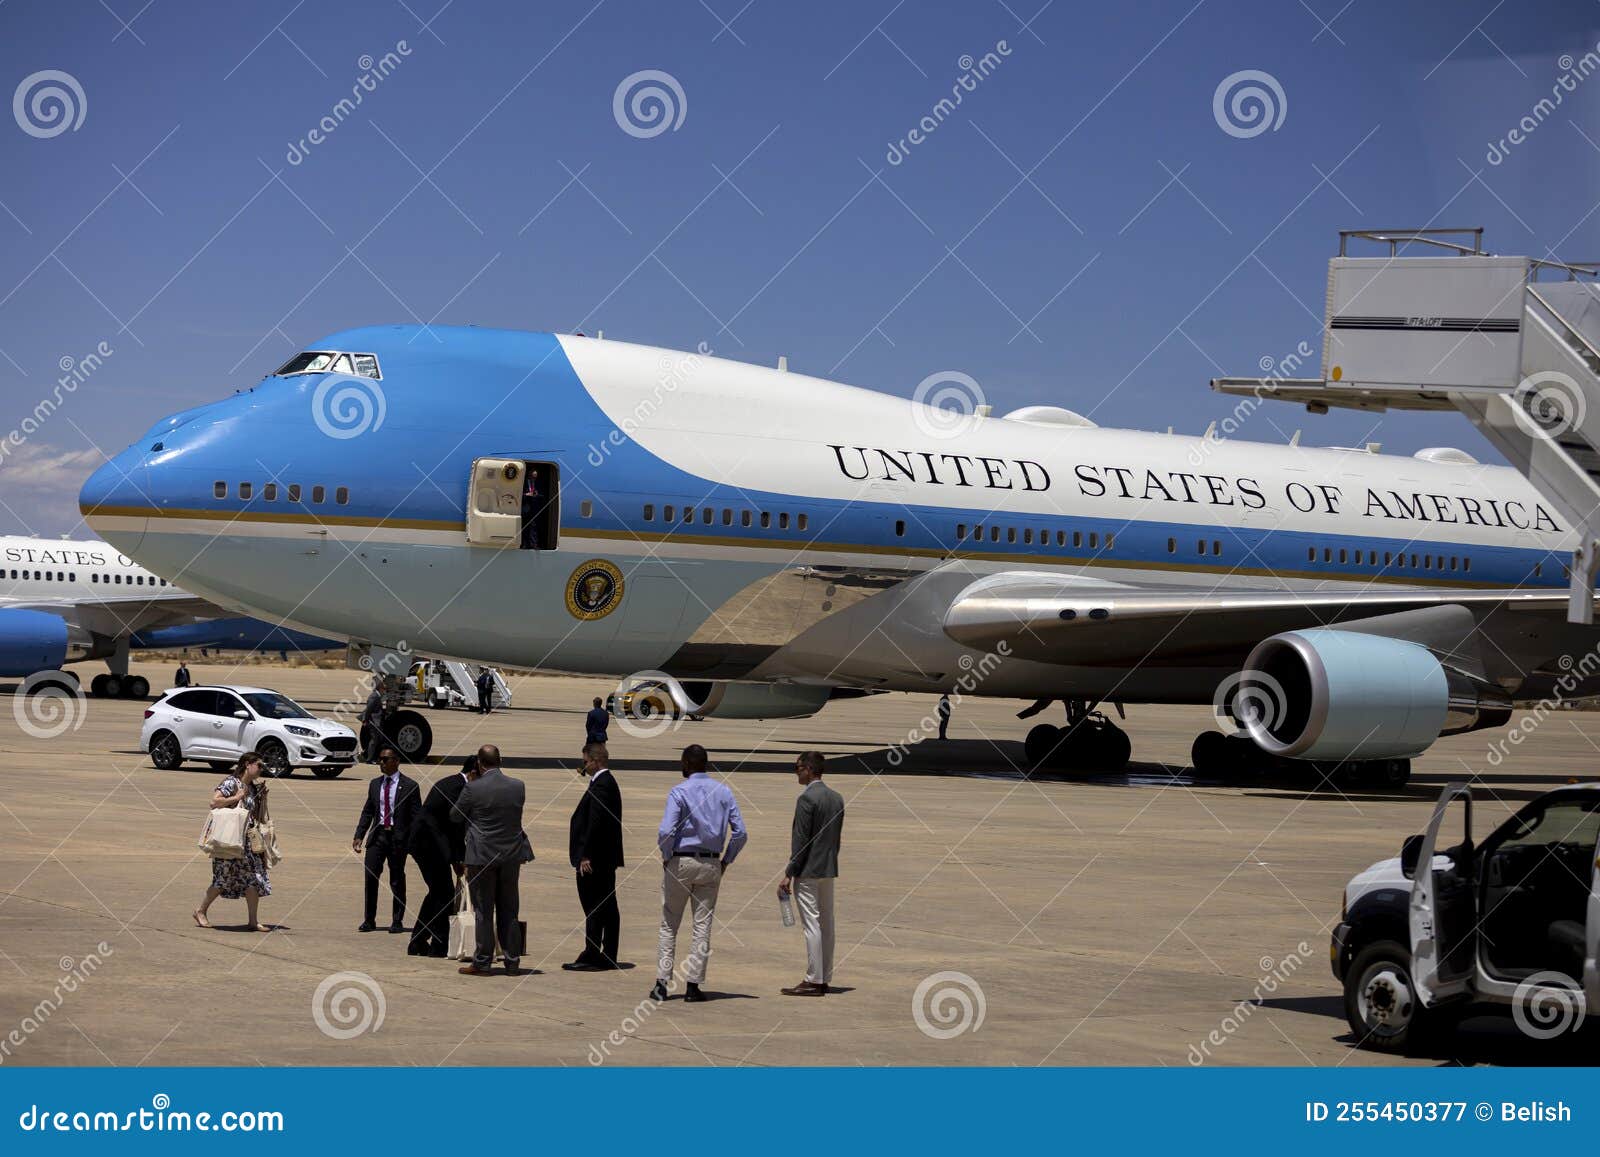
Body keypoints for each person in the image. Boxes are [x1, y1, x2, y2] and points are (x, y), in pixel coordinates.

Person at [651, 744, 747, 1003]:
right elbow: (740, 832)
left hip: (681, 860)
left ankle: (662, 983)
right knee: (702, 925)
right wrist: (726, 860)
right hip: (711, 863)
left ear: (686, 764)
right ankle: (693, 985)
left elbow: (666, 831)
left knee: (670, 923)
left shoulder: (680, 791)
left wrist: (667, 855)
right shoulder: (723, 791)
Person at [457, 745, 533, 976]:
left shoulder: (473, 788)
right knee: (510, 909)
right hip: (510, 855)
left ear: (480, 763)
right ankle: (512, 962)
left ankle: (482, 961)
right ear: (500, 760)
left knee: (484, 910)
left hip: (482, 856)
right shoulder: (517, 786)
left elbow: (454, 814)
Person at [778, 751, 845, 996]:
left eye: (797, 768)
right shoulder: (836, 798)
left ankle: (813, 979)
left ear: (808, 769)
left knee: (812, 925)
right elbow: (835, 839)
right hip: (828, 868)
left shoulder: (807, 799)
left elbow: (801, 840)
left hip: (808, 870)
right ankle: (825, 976)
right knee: (828, 923)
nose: (796, 772)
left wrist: (789, 872)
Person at [194, 751, 275, 931]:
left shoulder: (253, 787)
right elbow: (214, 802)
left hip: (248, 844)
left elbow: (257, 817)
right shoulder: (231, 782)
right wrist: (236, 798)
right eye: (259, 765)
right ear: (248, 764)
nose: (261, 769)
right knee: (222, 879)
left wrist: (262, 799)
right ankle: (200, 911)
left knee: (254, 879)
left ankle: (253, 921)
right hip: (230, 841)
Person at [408, 754, 475, 957]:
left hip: (433, 844)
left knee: (439, 892)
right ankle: (435, 943)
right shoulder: (458, 788)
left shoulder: (453, 782)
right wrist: (457, 860)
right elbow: (455, 826)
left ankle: (420, 941)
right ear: (473, 774)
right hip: (428, 845)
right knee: (442, 893)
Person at [565, 741, 623, 971]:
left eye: (586, 762)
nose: (584, 766)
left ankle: (594, 953)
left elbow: (596, 823)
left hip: (597, 859)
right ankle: (603, 953)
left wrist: (586, 854)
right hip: (604, 857)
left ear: (596, 761)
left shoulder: (603, 785)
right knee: (605, 905)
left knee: (595, 905)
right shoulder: (604, 783)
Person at [353, 747, 420, 933]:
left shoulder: (410, 786)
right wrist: (359, 834)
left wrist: (413, 842)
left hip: (397, 839)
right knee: (370, 876)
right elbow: (368, 811)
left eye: (385, 759)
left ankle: (397, 920)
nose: (381, 763)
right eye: (380, 759)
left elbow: (416, 818)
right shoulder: (375, 784)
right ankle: (369, 920)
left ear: (396, 761)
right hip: (378, 836)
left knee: (397, 880)